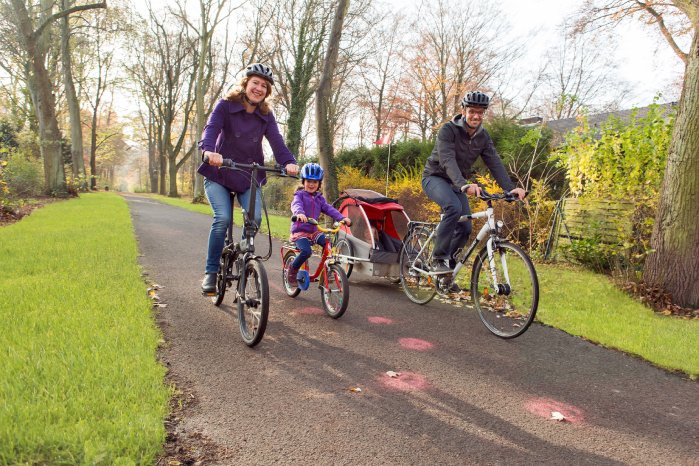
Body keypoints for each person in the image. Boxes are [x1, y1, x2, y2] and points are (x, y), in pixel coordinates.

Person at [198, 63, 300, 294]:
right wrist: (208, 152)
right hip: (219, 173)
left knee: (254, 218)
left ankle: (245, 257)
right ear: (245, 84)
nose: (259, 88)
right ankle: (211, 272)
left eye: (264, 85)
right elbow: (211, 129)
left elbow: (277, 142)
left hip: (247, 174)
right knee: (222, 219)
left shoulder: (265, 115)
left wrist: (288, 162)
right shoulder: (226, 106)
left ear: (267, 91)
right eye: (255, 82)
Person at [422, 91, 526, 280]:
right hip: (435, 178)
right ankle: (438, 259)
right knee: (453, 207)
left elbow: (494, 162)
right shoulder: (448, 130)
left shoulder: (483, 137)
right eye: (472, 111)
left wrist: (510, 187)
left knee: (465, 228)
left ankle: (447, 273)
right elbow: (447, 161)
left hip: (457, 183)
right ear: (463, 111)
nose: (476, 116)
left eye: (480, 112)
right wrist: (464, 185)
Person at [287, 163, 351, 287]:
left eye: (315, 182)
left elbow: (329, 209)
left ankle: (328, 268)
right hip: (300, 231)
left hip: (314, 231)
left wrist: (342, 218)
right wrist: (299, 213)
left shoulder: (319, 198)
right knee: (306, 251)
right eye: (309, 181)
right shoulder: (299, 195)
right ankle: (292, 270)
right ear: (303, 181)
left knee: (328, 245)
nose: (311, 184)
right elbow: (296, 205)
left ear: (319, 184)